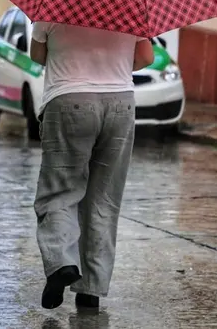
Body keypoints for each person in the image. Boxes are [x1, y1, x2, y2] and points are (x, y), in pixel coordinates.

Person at [29, 21, 154, 310]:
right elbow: (146, 58)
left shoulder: (54, 2)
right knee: (104, 199)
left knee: (60, 192)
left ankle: (62, 263)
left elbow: (38, 56)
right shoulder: (132, 4)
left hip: (68, 99)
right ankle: (91, 289)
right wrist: (113, 63)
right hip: (120, 104)